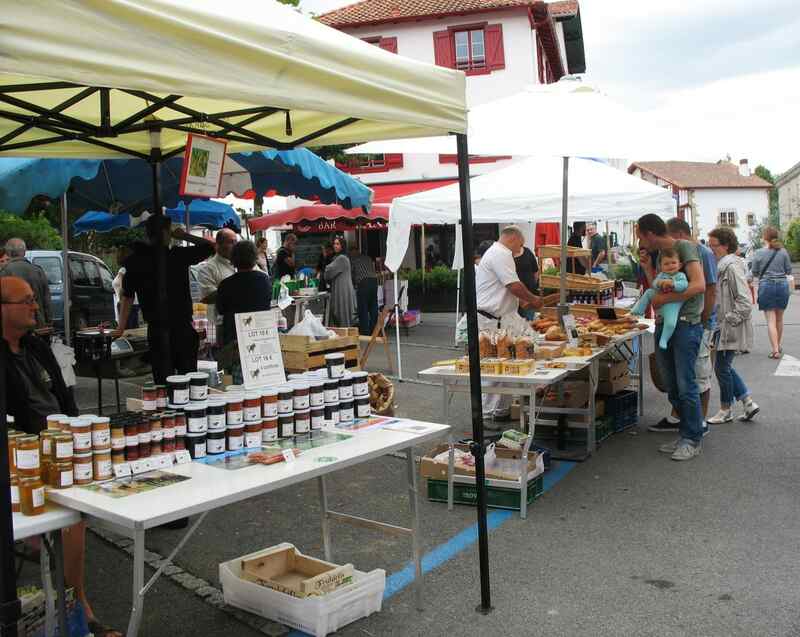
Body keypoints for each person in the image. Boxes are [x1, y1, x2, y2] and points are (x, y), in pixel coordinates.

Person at [1, 276, 122, 637]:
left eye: (34, 299)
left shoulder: (37, 346)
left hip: (64, 440)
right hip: (27, 449)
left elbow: (66, 397)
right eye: (26, 301)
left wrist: (77, 430)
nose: (36, 306)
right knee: (71, 517)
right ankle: (79, 604)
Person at [113, 215, 215, 384]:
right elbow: (209, 247)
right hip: (181, 326)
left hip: (157, 329)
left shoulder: (135, 261)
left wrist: (121, 327)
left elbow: (127, 296)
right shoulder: (178, 255)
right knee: (188, 379)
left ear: (148, 234)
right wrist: (183, 235)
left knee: (162, 381)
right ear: (166, 233)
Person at [636, 213, 705, 461]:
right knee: (672, 383)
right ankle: (685, 432)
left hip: (686, 324)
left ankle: (692, 438)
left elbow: (698, 284)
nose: (642, 244)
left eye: (641, 237)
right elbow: (659, 285)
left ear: (650, 234)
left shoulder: (684, 247)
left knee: (686, 384)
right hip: (665, 323)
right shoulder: (658, 255)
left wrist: (664, 300)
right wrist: (647, 268)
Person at [649, 217, 718, 433]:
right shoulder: (665, 253)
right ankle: (686, 424)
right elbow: (662, 285)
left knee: (696, 378)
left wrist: (704, 321)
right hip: (676, 321)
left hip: (692, 322)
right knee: (679, 382)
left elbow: (707, 288)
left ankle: (698, 426)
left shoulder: (696, 250)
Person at [476, 226, 545, 422]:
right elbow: (513, 285)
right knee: (493, 367)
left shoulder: (500, 253)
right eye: (520, 244)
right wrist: (533, 299)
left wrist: (522, 301)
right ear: (513, 239)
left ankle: (500, 410)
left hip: (500, 317)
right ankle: (488, 414)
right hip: (491, 319)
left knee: (505, 364)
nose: (520, 249)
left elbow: (506, 288)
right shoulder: (500, 253)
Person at [706, 227, 759, 423]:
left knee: (721, 367)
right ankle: (747, 402)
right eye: (709, 246)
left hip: (729, 326)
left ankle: (725, 409)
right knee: (723, 366)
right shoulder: (725, 265)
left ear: (726, 246)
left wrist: (729, 319)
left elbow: (745, 302)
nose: (711, 250)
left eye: (714, 246)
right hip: (724, 324)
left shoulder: (731, 266)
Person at [216, 241, 272, 384]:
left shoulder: (225, 285)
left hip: (234, 342)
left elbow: (221, 310)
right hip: (260, 338)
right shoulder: (265, 280)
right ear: (254, 258)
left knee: (234, 384)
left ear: (233, 259)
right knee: (260, 382)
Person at [630, 248, 688, 349]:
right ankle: (638, 310)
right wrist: (659, 283)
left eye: (673, 263)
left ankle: (664, 339)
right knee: (648, 292)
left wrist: (673, 284)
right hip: (660, 299)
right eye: (666, 264)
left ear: (680, 265)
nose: (670, 266)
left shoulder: (680, 275)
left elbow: (684, 285)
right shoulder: (661, 275)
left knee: (670, 323)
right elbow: (654, 284)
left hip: (672, 305)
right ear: (661, 267)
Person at [750, 226, 792, 358]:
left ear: (764, 237)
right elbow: (788, 270)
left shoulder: (759, 253)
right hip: (782, 285)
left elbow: (755, 272)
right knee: (779, 319)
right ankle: (777, 346)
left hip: (766, 286)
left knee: (771, 320)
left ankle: (775, 350)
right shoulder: (783, 252)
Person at [194, 227, 237, 343]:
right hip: (220, 324)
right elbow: (206, 297)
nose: (235, 245)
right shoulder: (208, 268)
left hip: (241, 321)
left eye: (236, 242)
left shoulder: (242, 263)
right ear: (218, 245)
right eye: (231, 242)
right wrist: (237, 288)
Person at [0, 238, 51, 328]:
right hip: (38, 323)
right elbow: (46, 299)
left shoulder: (5, 272)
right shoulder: (38, 270)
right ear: (24, 252)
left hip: (15, 326)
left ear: (8, 253)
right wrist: (48, 320)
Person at [324, 236, 356, 327]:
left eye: (338, 244)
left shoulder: (341, 258)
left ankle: (346, 336)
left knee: (343, 314)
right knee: (342, 314)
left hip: (343, 291)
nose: (335, 246)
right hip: (341, 289)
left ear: (342, 246)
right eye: (334, 244)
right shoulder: (339, 258)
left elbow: (328, 271)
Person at [349, 245, 379, 335]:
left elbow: (352, 274)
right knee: (373, 306)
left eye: (351, 252)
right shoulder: (368, 258)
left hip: (363, 283)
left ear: (353, 251)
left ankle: (365, 331)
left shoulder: (353, 260)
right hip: (374, 282)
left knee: (363, 308)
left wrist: (353, 284)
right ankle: (374, 330)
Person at [514, 244, 539, 320]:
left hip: (530, 294)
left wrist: (533, 284)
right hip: (514, 296)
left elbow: (535, 271)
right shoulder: (506, 255)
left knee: (530, 321)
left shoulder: (527, 251)